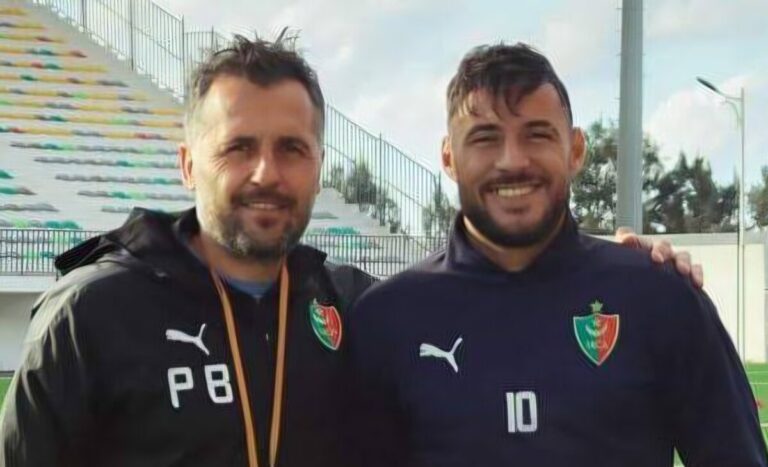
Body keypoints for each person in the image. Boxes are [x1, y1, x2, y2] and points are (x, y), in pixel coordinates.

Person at [0, 34, 701, 467]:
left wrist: (629, 267)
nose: (266, 174)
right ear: (188, 163)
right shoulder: (90, 314)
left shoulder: (353, 306)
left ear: (319, 165)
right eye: (238, 147)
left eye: (291, 148)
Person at [346, 43, 767, 466]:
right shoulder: (387, 318)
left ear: (576, 150)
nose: (512, 161)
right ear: (449, 157)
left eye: (537, 134)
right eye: (485, 138)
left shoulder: (661, 296)